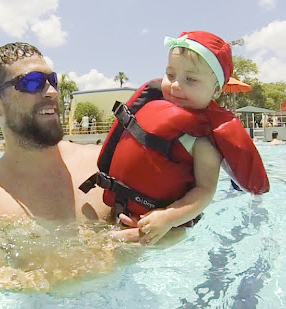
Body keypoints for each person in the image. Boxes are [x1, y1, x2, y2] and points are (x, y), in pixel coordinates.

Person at [0, 42, 129, 290]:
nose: (51, 92)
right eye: (32, 82)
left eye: (52, 80)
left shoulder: (102, 164)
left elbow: (170, 230)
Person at [80, 31, 269, 245]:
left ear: (216, 91)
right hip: (118, 205)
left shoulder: (202, 142)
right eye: (170, 75)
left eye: (190, 79)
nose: (176, 85)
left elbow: (205, 191)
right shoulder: (148, 109)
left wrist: (168, 217)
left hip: (164, 225)